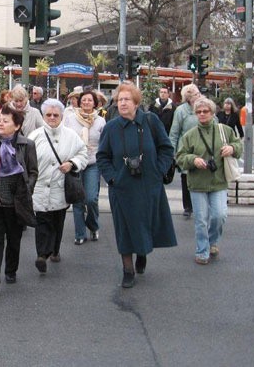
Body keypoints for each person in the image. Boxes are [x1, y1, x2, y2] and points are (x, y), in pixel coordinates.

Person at [97, 82, 177, 288]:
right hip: (122, 188)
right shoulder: (111, 127)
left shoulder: (151, 121)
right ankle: (128, 269)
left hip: (148, 186)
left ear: (136, 103)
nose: (122, 103)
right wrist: (113, 178)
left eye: (127, 100)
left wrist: (158, 171)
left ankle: (142, 252)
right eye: (119, 100)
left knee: (144, 223)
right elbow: (102, 157)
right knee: (124, 229)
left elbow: (166, 148)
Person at [0, 104, 38, 294]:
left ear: (17, 126)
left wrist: (27, 189)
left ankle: (11, 269)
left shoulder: (27, 145)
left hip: (16, 201)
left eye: (5, 121)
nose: (0, 124)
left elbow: (33, 172)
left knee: (13, 238)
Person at [176, 97, 242, 265]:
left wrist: (232, 148)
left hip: (219, 181)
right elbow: (180, 157)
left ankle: (213, 241)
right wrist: (193, 160)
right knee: (201, 219)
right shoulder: (190, 135)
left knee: (219, 215)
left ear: (213, 113)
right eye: (198, 112)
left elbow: (238, 145)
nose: (202, 114)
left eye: (206, 111)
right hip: (197, 183)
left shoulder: (225, 130)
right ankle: (202, 250)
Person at [29, 99, 87, 273]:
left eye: (56, 115)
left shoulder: (71, 135)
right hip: (40, 188)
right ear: (43, 116)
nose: (52, 118)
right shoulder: (35, 136)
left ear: (62, 116)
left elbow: (83, 153)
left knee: (57, 221)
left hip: (61, 187)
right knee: (42, 221)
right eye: (48, 115)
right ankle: (41, 254)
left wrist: (72, 163)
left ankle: (54, 249)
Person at [63, 89, 106, 244]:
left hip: (93, 163)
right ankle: (80, 234)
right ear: (79, 102)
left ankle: (93, 225)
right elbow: (64, 138)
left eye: (89, 100)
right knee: (77, 200)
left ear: (95, 103)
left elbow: (104, 143)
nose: (86, 102)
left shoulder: (100, 121)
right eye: (84, 100)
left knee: (91, 198)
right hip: (75, 163)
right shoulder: (69, 119)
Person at [169, 83, 201, 218]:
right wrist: (172, 152)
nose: (198, 97)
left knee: (200, 177)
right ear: (188, 98)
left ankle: (199, 205)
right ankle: (187, 206)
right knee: (186, 178)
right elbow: (174, 132)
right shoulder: (181, 111)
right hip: (186, 148)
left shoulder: (204, 108)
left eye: (198, 94)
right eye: (195, 95)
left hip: (202, 148)